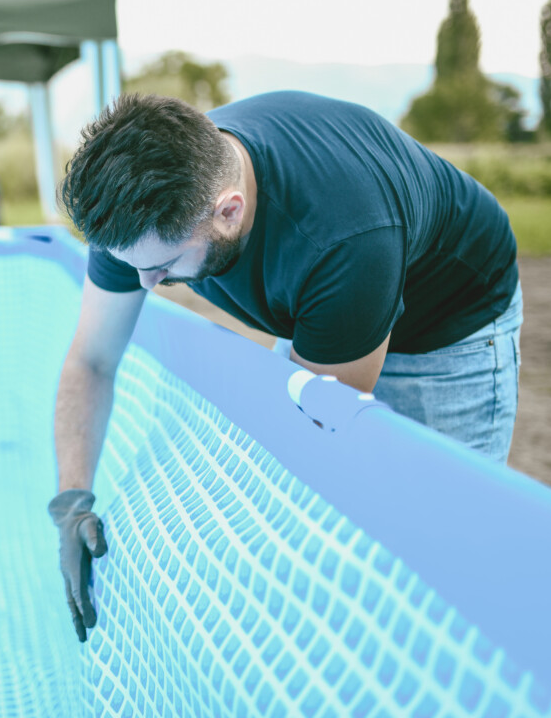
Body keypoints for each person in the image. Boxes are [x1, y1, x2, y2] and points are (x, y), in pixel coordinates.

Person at [48, 90, 523, 642]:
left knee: (440, 552)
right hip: (330, 302)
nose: (145, 285)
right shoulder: (139, 212)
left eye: (164, 267)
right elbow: (92, 358)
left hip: (450, 322)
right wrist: (72, 500)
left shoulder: (342, 240)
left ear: (230, 210)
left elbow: (311, 440)